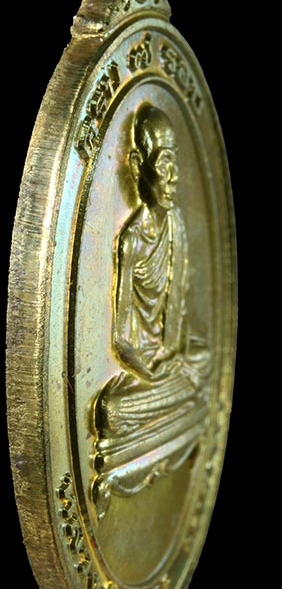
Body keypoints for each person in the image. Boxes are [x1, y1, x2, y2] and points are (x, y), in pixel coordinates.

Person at [91, 103, 209, 515]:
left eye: (176, 164)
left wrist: (173, 355)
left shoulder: (176, 225)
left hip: (170, 362)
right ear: (140, 164)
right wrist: (153, 371)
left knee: (204, 359)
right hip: (143, 371)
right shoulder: (132, 241)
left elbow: (179, 311)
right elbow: (122, 339)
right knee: (110, 411)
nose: (174, 177)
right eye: (164, 164)